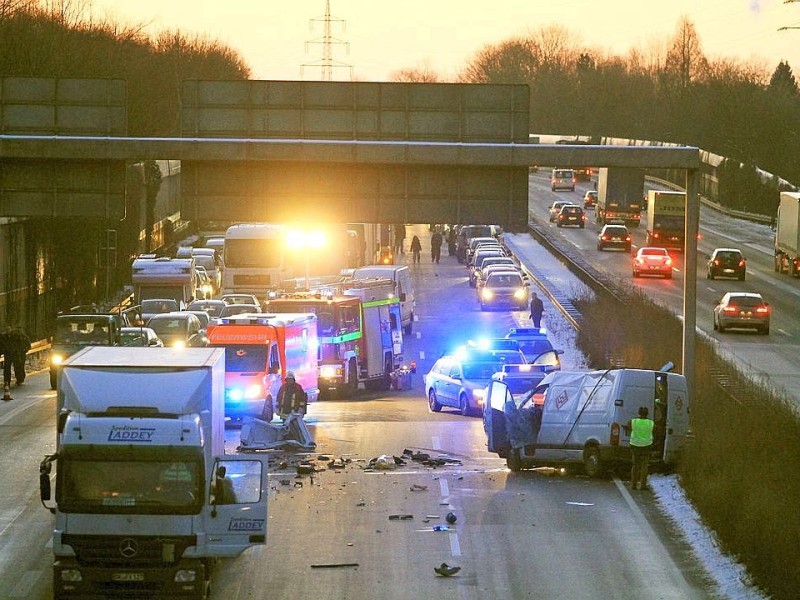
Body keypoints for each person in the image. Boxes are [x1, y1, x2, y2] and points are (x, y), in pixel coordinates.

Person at [629, 406, 654, 490]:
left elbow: (628, 427)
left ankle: (633, 485)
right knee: (644, 467)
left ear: (639, 413)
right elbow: (656, 431)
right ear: (647, 414)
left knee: (635, 466)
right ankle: (643, 485)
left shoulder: (633, 421)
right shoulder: (651, 423)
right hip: (646, 446)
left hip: (635, 446)